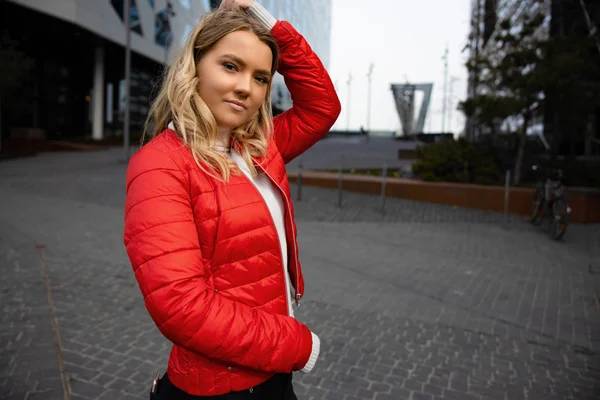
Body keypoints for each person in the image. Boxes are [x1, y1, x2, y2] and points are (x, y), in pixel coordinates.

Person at [122, 0, 341, 398]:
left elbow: (322, 106)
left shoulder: (258, 148)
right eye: (230, 66)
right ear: (196, 66)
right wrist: (297, 344)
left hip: (271, 370)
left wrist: (268, 22)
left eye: (261, 77)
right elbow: (181, 306)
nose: (246, 87)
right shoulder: (159, 165)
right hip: (221, 386)